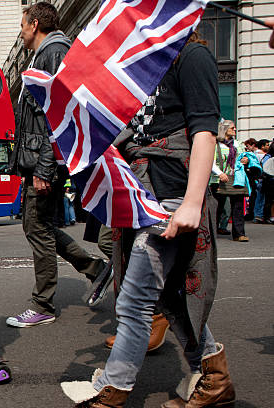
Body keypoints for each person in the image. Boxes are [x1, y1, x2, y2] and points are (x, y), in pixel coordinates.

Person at [61, 34, 235, 407]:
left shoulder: (192, 54)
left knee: (135, 300)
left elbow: (205, 132)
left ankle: (113, 391)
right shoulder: (143, 63)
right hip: (140, 195)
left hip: (171, 193)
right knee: (170, 298)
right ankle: (213, 380)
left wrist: (191, 203)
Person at [7, 1, 106, 328]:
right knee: (39, 227)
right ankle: (96, 270)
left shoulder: (54, 53)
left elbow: (58, 116)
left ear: (34, 23)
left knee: (38, 228)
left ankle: (43, 304)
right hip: (38, 161)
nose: (21, 32)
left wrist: (44, 169)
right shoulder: (45, 54)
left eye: (22, 25)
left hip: (43, 163)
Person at [211, 120, 250, 242]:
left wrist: (245, 160)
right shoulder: (215, 144)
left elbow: (243, 158)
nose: (235, 130)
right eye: (232, 128)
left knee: (238, 207)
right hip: (218, 180)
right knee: (217, 207)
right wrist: (220, 173)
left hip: (235, 179)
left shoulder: (237, 144)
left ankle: (239, 234)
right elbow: (210, 162)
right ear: (225, 129)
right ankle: (212, 231)